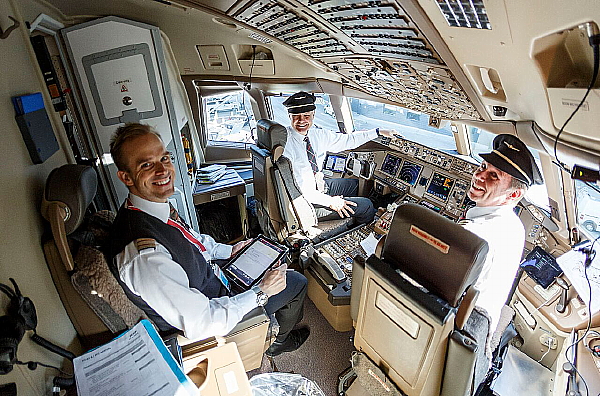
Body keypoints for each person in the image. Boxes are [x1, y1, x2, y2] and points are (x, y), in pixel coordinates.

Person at [106, 123, 309, 357]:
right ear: (126, 177)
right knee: (295, 281)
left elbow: (190, 240)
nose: (163, 171)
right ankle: (277, 344)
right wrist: (261, 292)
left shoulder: (149, 209)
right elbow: (203, 322)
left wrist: (229, 251)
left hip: (214, 280)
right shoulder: (145, 258)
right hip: (216, 314)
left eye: (164, 158)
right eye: (146, 165)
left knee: (270, 260)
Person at [461, 134, 543, 333]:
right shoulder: (513, 226)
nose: (479, 176)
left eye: (494, 176)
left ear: (514, 194)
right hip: (480, 321)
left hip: (462, 328)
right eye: (483, 167)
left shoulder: (477, 234)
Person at [282, 92, 397, 224]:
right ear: (289, 116)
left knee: (355, 185)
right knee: (366, 205)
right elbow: (300, 190)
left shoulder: (317, 135)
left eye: (306, 116)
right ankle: (364, 228)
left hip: (317, 187)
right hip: (303, 202)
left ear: (313, 115)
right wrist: (331, 202)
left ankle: (379, 208)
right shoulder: (286, 145)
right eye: (296, 116)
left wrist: (378, 132)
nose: (302, 120)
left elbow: (348, 140)